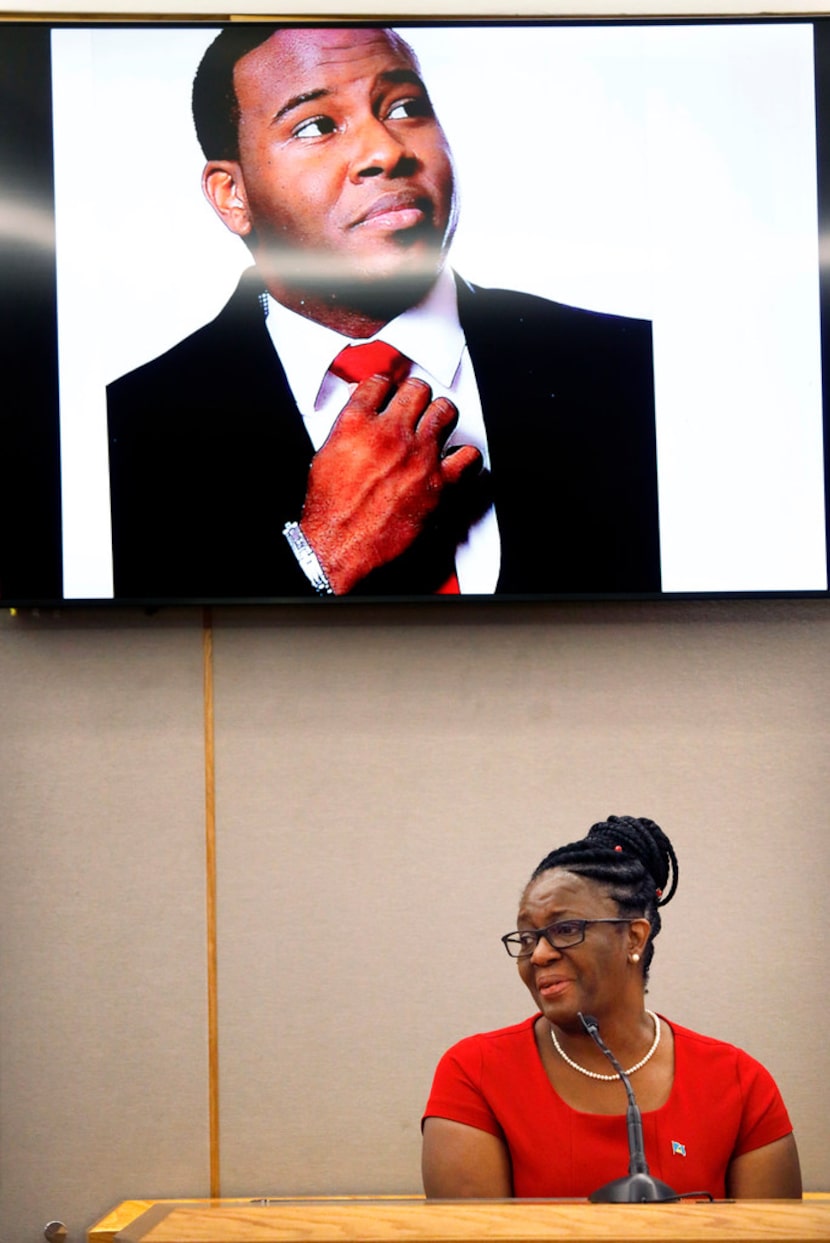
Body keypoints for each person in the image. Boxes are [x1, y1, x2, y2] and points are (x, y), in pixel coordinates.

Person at [107, 25, 660, 601]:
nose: (387, 150)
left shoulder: (631, 368)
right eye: (317, 125)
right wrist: (320, 556)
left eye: (404, 107)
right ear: (232, 195)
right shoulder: (123, 432)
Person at [422, 815, 802, 1200]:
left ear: (634, 938)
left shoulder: (738, 1084)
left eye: (565, 929)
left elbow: (772, 1230)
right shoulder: (476, 1074)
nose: (538, 954)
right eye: (527, 937)